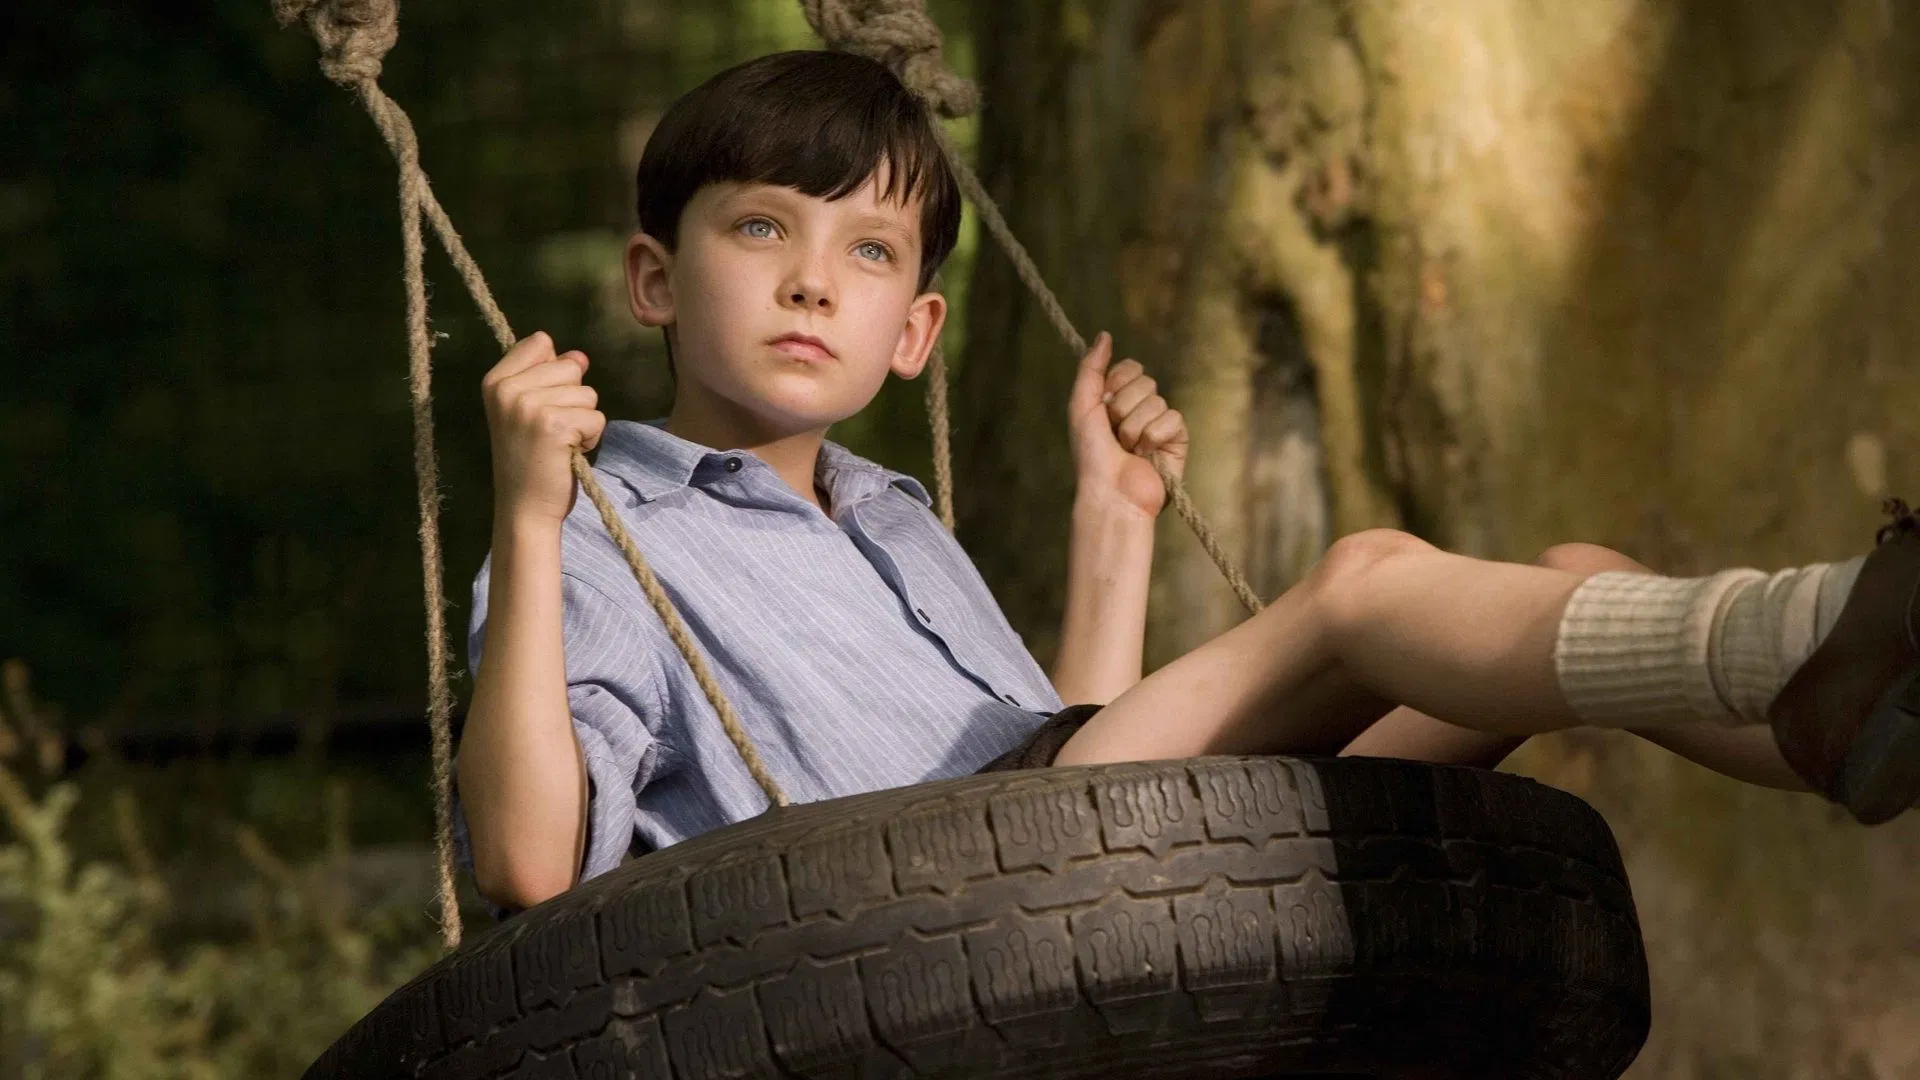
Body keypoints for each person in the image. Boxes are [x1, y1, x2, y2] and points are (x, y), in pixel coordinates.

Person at [451, 49, 1920, 915]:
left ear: (915, 335)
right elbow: (526, 865)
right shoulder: (608, 533)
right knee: (1362, 587)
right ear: (655, 279)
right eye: (763, 230)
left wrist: (1115, 523)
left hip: (1058, 851)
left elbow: (1072, 750)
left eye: (871, 252)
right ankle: (1812, 627)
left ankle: (1849, 724)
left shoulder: (891, 513)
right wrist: (527, 516)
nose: (814, 284)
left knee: (1573, 575)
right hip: (907, 907)